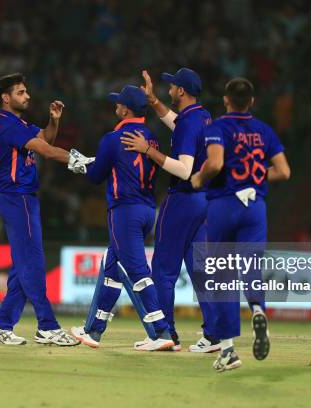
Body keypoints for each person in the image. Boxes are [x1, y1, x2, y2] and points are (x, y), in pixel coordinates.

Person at [0, 73, 90, 346]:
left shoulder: (17, 123)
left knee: (23, 265)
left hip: (22, 198)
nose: (27, 96)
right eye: (20, 92)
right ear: (6, 98)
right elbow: (46, 151)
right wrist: (76, 160)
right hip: (17, 197)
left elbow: (45, 139)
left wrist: (53, 121)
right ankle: (47, 326)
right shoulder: (8, 125)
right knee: (32, 263)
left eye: (26, 91)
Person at [191, 77, 290, 371]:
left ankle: (229, 351)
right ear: (252, 102)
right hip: (255, 206)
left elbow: (216, 163)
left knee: (222, 276)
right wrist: (255, 180)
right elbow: (284, 171)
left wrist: (198, 178)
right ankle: (258, 308)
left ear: (225, 100)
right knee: (251, 266)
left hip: (224, 204)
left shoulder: (217, 127)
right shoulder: (264, 130)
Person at [121, 68, 219, 352]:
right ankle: (213, 335)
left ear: (183, 92)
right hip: (204, 202)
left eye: (173, 86)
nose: (169, 90)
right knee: (200, 271)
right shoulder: (201, 115)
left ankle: (165, 333)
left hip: (183, 199)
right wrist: (153, 101)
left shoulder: (190, 122)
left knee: (163, 270)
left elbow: (185, 170)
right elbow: (177, 122)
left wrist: (148, 150)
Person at [70, 85, 175, 351]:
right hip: (147, 209)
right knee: (111, 269)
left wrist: (83, 165)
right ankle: (93, 330)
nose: (115, 107)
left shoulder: (112, 138)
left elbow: (96, 176)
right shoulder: (152, 138)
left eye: (118, 104)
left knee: (137, 270)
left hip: (124, 210)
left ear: (125, 109)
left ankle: (161, 332)